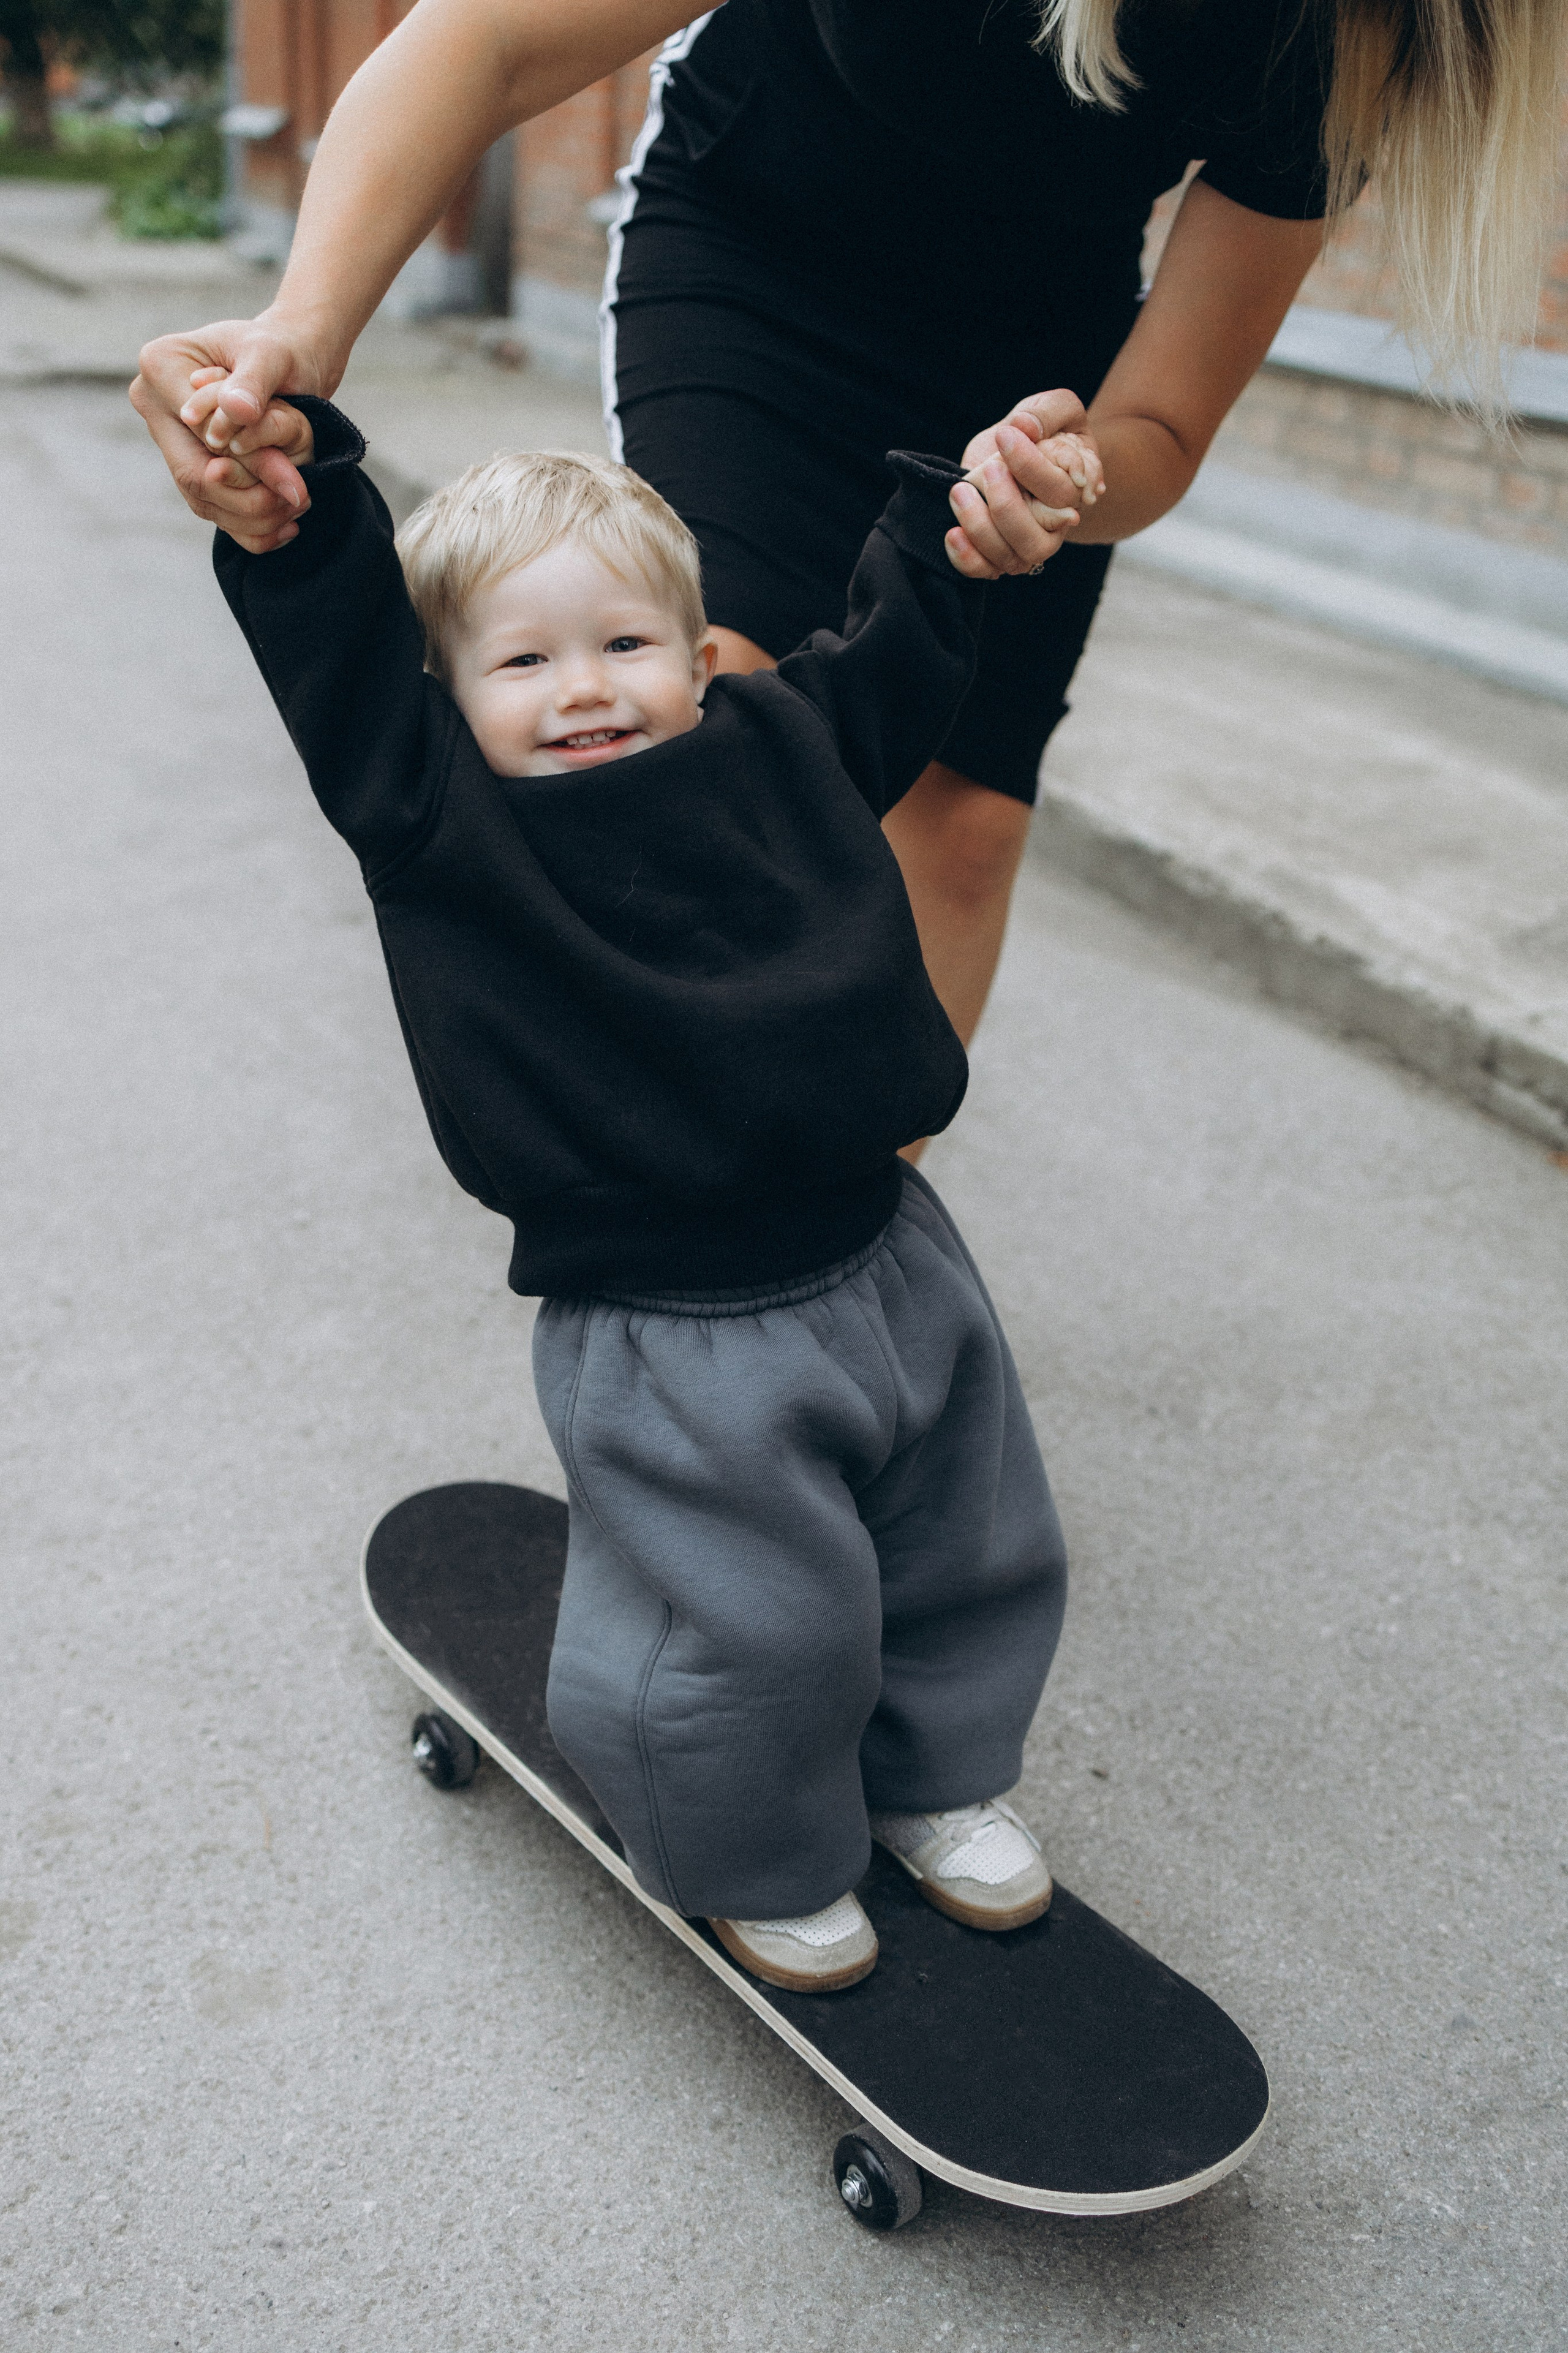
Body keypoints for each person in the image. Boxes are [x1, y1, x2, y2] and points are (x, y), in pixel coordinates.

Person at [129, 0, 1566, 1058]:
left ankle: (842, 1276)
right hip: (755, 252)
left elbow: (1163, 427)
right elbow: (485, 45)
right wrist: (296, 339)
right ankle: (677, 1263)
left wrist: (1065, 480)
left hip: (1029, 377)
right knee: (730, 723)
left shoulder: (1361, 38)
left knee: (962, 831)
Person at [207, 379, 1076, 1990]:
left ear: (694, 652)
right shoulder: (437, 817)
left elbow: (898, 652)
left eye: (623, 643)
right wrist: (305, 496)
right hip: (676, 1324)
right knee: (754, 1615)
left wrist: (952, 515)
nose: (584, 686)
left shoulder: (782, 745)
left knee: (968, 1540)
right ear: (447, 690)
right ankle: (749, 1846)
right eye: (521, 660)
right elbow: (333, 653)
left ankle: (935, 1782)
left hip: (894, 1260)